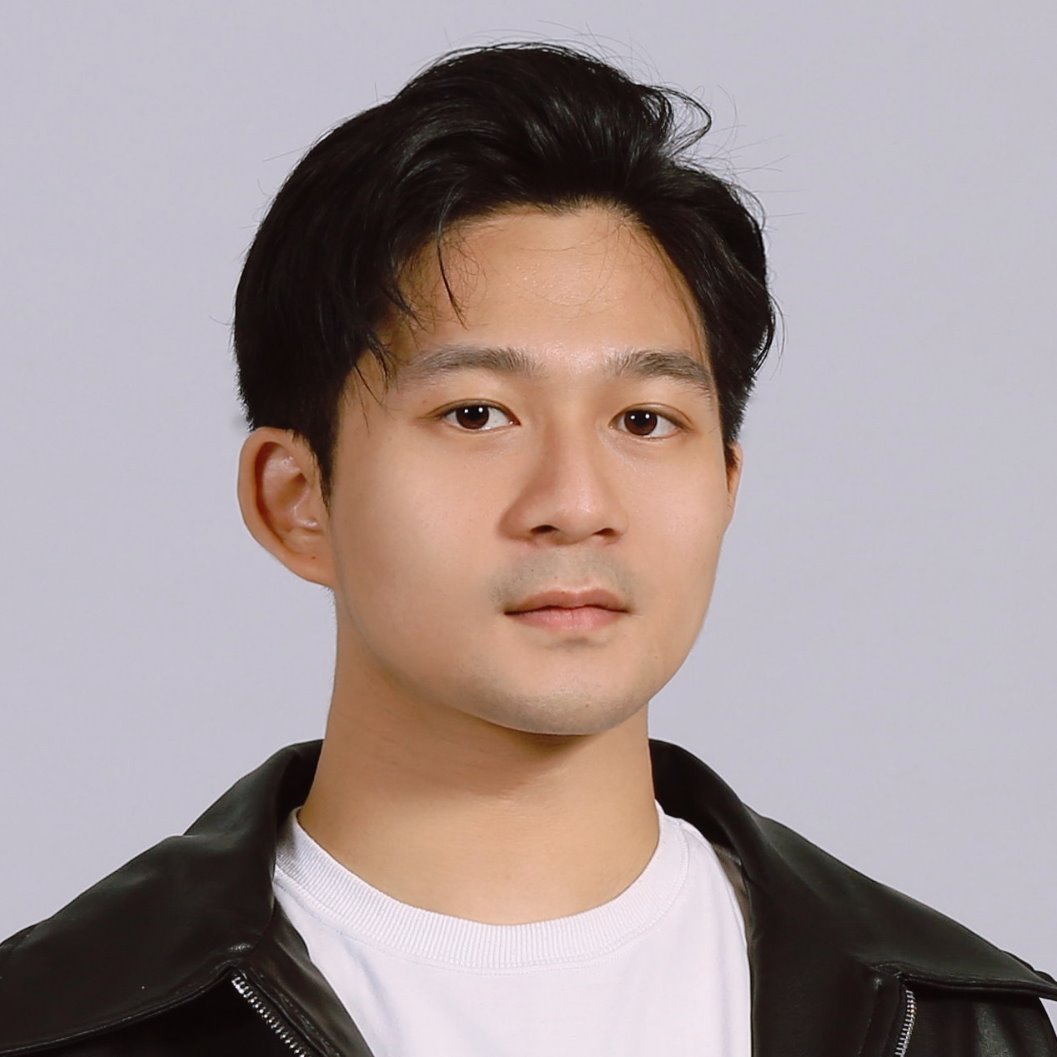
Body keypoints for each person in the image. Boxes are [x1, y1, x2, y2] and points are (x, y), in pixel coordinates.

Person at [0, 40, 1053, 1057]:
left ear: (725, 487)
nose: (575, 503)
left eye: (644, 420)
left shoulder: (948, 1022)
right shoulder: (55, 1020)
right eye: (475, 414)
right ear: (296, 499)